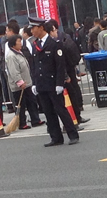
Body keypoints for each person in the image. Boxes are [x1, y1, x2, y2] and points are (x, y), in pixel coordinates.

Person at [29, 18, 79, 147]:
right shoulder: (35, 44)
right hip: (42, 83)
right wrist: (34, 83)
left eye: (33, 28)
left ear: (41, 28)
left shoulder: (54, 44)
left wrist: (59, 83)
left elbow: (60, 65)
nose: (32, 31)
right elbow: (34, 66)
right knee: (48, 112)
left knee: (61, 110)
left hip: (53, 83)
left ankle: (73, 134)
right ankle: (56, 137)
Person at [50, 19, 87, 124]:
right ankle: (77, 117)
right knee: (72, 93)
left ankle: (75, 118)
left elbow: (60, 61)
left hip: (66, 71)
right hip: (69, 69)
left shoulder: (58, 41)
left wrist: (65, 75)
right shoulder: (64, 37)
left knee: (70, 94)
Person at [5, 34, 45, 130]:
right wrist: (20, 82)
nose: (21, 43)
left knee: (32, 101)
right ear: (13, 44)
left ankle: (35, 119)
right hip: (19, 85)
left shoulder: (19, 52)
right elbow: (14, 71)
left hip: (27, 83)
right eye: (18, 42)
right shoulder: (11, 56)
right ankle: (22, 123)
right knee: (21, 105)